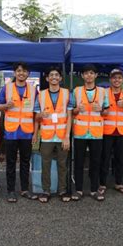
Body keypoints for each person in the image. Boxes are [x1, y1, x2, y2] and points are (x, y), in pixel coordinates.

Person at [0, 62, 38, 203]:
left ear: (28, 74)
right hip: (11, 132)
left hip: (27, 132)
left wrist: (35, 133)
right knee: (11, 162)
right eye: (19, 71)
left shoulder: (33, 90)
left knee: (26, 162)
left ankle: (25, 189)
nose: (21, 73)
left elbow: (36, 112)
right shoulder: (6, 88)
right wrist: (5, 106)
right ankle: (11, 191)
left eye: (24, 71)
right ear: (15, 73)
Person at [33, 66, 73, 203]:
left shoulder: (67, 93)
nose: (54, 77)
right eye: (51, 75)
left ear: (61, 78)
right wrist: (40, 115)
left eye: (57, 75)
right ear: (47, 78)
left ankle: (62, 190)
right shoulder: (41, 95)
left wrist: (67, 136)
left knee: (62, 164)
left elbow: (69, 116)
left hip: (62, 135)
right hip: (47, 136)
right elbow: (36, 117)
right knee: (46, 164)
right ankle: (46, 191)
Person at [71, 64, 109, 201]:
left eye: (92, 73)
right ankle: (79, 190)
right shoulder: (76, 91)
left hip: (96, 132)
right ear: (82, 76)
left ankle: (94, 190)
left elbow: (106, 111)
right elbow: (71, 111)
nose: (89, 75)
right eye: (86, 73)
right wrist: (76, 109)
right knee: (79, 162)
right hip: (80, 132)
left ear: (96, 75)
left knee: (95, 162)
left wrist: (100, 109)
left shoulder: (103, 91)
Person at [100, 69, 123, 196]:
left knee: (120, 159)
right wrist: (103, 112)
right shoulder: (103, 94)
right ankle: (102, 184)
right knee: (105, 159)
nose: (116, 80)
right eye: (114, 78)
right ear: (110, 80)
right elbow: (100, 112)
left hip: (121, 132)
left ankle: (119, 183)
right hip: (106, 131)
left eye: (119, 77)